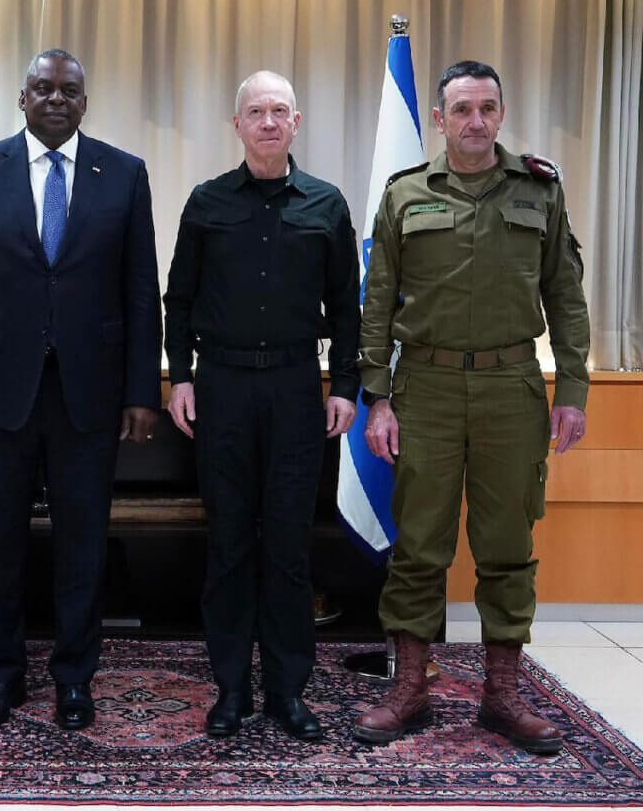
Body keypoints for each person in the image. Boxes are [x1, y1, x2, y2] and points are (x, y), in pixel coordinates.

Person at [353, 60, 590, 755]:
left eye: (487, 107)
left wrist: (572, 390)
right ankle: (411, 689)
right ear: (438, 117)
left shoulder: (539, 190)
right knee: (420, 545)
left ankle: (502, 694)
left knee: (507, 547)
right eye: (462, 109)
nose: (476, 121)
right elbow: (376, 303)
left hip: (511, 390)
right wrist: (376, 397)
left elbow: (567, 298)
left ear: (502, 113)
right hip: (422, 390)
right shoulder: (405, 195)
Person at [0, 49, 162, 732]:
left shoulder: (123, 173)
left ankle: (74, 679)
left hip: (89, 395)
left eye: (69, 89)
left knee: (82, 544)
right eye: (42, 88)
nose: (55, 98)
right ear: (21, 97)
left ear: (84, 102)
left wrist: (141, 389)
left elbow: (141, 291)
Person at [164, 70, 360, 740]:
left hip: (295, 390)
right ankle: (230, 689)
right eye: (257, 111)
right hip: (221, 389)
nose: (269, 122)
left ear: (296, 123)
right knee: (227, 546)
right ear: (239, 124)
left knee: (287, 547)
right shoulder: (206, 201)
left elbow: (349, 310)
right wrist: (181, 377)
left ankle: (287, 690)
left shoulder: (326, 205)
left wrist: (347, 386)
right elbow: (179, 300)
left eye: (280, 110)